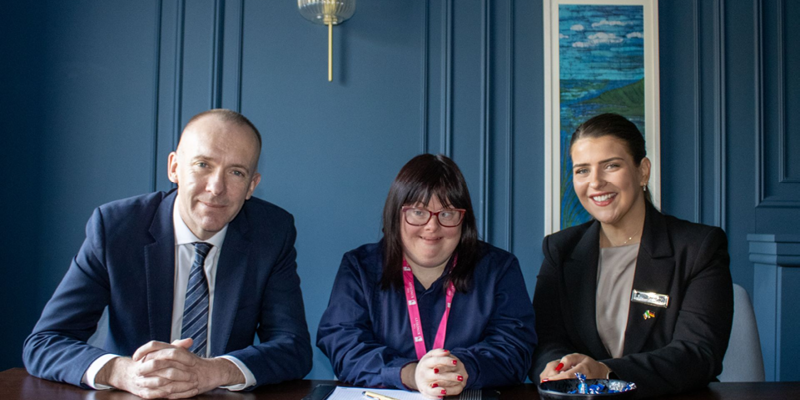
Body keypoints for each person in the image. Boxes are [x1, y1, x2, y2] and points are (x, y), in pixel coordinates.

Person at [23, 109, 312, 399]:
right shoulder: (115, 228)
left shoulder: (272, 233)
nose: (216, 188)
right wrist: (121, 372)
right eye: (203, 165)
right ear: (174, 167)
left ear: (251, 185)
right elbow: (46, 341)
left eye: (236, 172)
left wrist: (217, 371)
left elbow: (293, 347)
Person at [531, 113, 733, 398]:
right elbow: (545, 340)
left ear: (643, 171)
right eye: (582, 170)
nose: (595, 182)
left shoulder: (698, 247)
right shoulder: (560, 250)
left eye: (611, 166)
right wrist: (556, 367)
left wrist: (606, 372)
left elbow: (698, 353)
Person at [317, 154, 537, 398]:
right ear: (396, 215)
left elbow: (515, 347)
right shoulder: (359, 267)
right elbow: (343, 344)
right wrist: (410, 374)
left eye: (447, 213)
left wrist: (461, 369)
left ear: (464, 220)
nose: (432, 226)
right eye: (418, 212)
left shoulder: (499, 268)